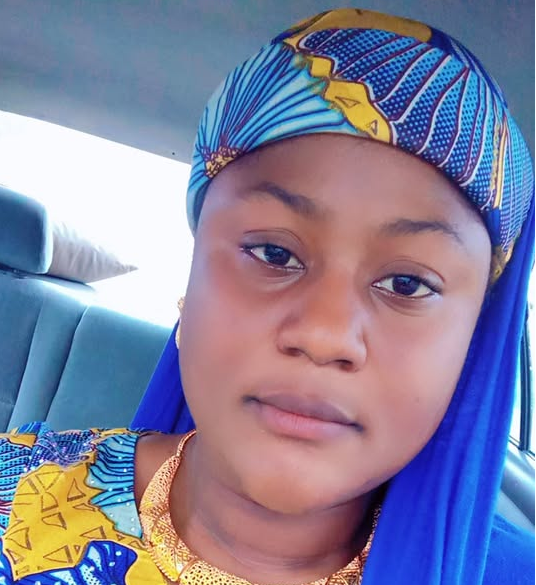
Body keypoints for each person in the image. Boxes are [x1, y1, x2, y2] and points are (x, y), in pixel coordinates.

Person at [0, 7, 533, 585]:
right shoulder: (14, 493)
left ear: (470, 350)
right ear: (189, 289)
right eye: (274, 254)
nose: (324, 335)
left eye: (408, 284)